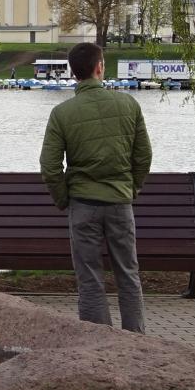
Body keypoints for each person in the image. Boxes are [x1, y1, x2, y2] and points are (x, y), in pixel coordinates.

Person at [39, 42, 152, 333]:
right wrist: (131, 188)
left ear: (73, 72)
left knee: (89, 278)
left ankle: (98, 344)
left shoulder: (62, 113)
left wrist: (64, 199)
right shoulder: (128, 105)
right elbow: (143, 156)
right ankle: (136, 341)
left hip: (83, 204)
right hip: (119, 202)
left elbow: (50, 166)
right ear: (99, 67)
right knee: (128, 274)